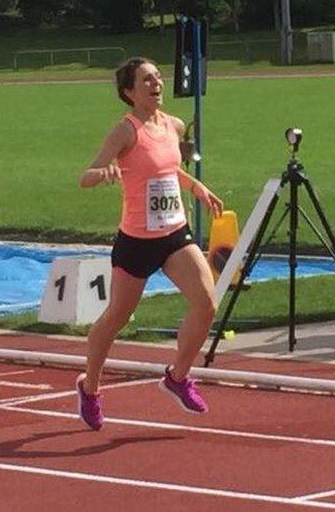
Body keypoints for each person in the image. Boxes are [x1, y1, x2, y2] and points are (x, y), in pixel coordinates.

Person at [75, 57, 224, 429]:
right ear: (130, 92)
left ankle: (177, 377)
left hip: (173, 233)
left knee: (207, 304)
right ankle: (89, 388)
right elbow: (85, 177)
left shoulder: (172, 125)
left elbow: (167, 168)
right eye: (146, 80)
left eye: (158, 77)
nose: (156, 83)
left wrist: (197, 186)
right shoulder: (126, 131)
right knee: (116, 319)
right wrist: (104, 173)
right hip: (137, 241)